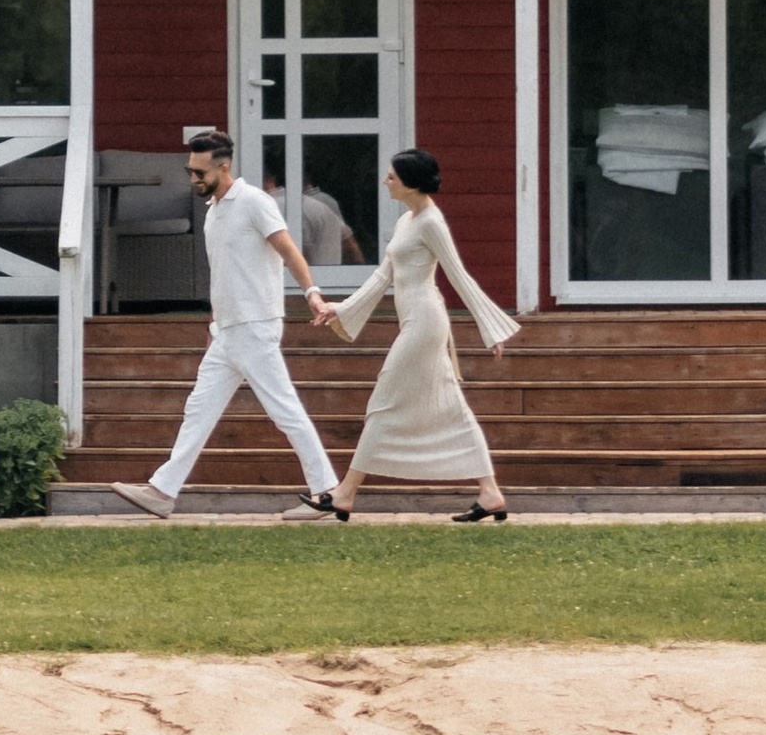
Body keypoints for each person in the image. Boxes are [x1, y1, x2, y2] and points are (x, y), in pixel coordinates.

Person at [116, 131, 346, 521]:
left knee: (284, 410)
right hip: (227, 330)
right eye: (190, 171)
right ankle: (162, 491)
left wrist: (313, 294)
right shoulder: (214, 211)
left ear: (224, 167)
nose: (193, 179)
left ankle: (328, 492)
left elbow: (289, 250)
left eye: (199, 172)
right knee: (199, 410)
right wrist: (214, 324)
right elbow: (224, 273)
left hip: (256, 324)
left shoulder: (255, 202)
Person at [327, 148, 519, 523]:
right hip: (413, 322)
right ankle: (490, 492)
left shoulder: (431, 222)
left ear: (411, 183)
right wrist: (342, 309)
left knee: (383, 400)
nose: (386, 182)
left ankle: (345, 493)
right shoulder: (407, 221)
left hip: (425, 325)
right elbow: (383, 276)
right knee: (453, 407)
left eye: (392, 177)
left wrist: (491, 328)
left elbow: (458, 275)